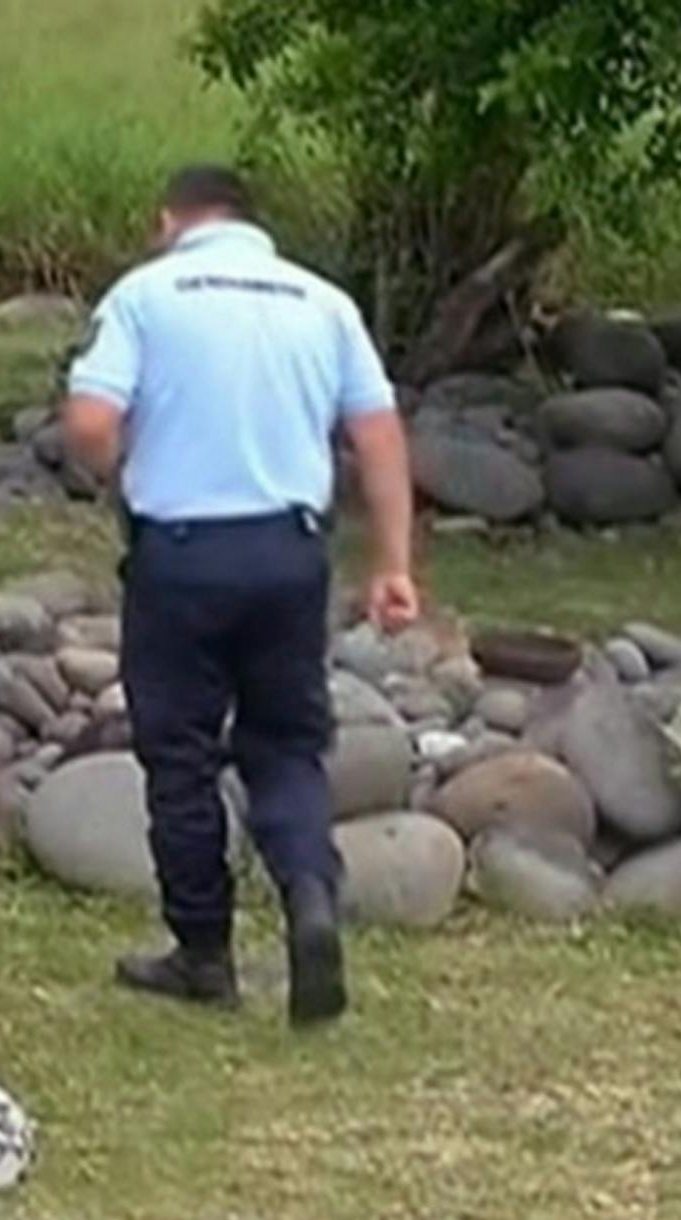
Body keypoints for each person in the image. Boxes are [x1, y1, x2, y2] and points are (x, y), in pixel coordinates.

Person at [59, 164, 419, 1029]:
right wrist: (394, 564)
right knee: (287, 743)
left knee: (179, 753)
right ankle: (307, 895)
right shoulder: (322, 302)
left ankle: (203, 953)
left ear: (168, 220)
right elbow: (377, 433)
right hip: (289, 554)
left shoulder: (145, 296)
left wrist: (116, 475)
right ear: (252, 223)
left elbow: (90, 424)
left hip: (181, 557)